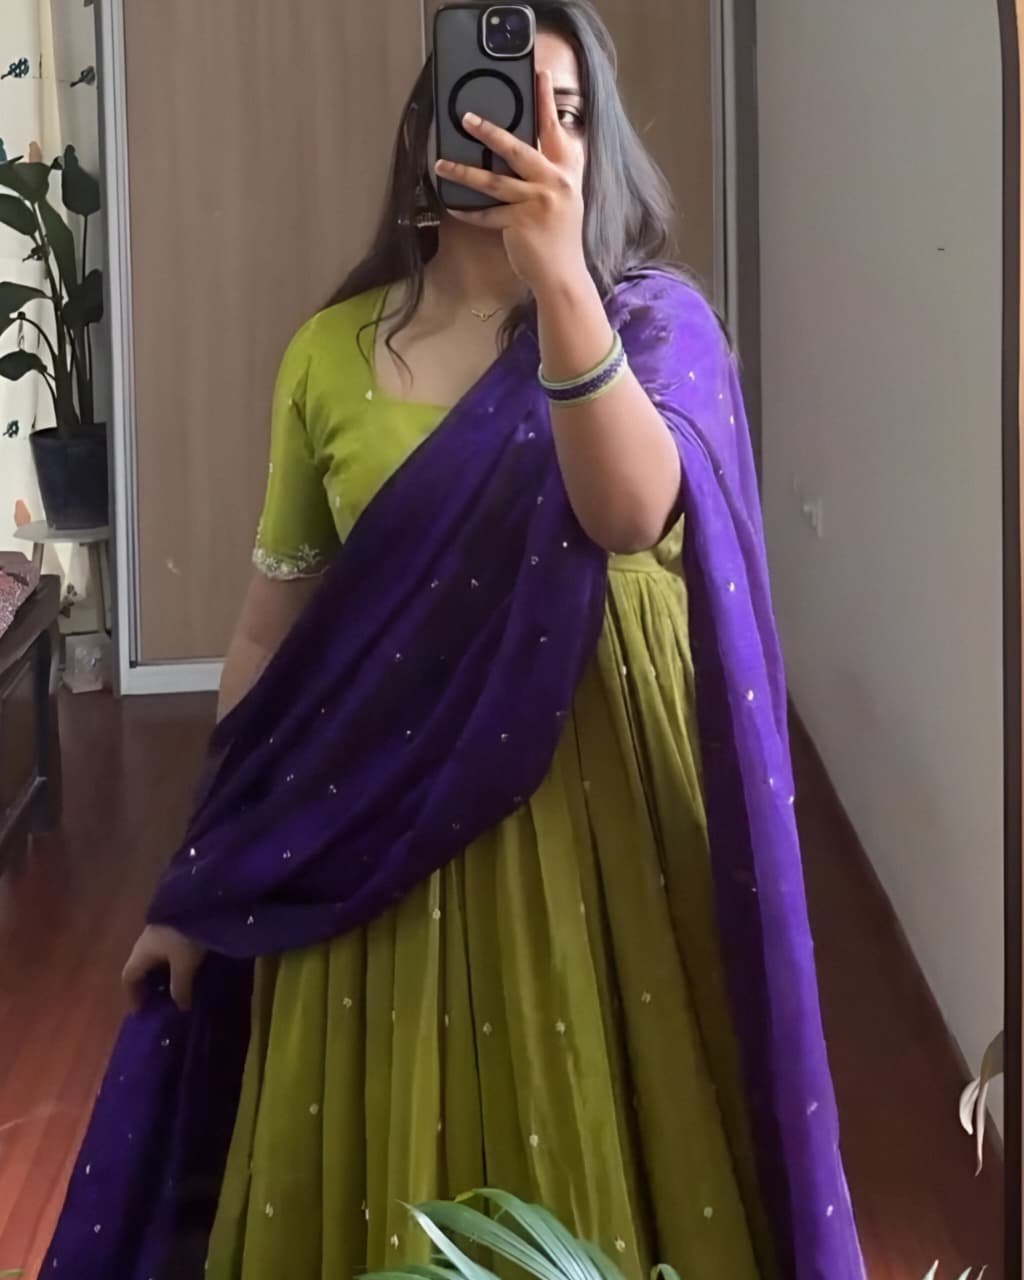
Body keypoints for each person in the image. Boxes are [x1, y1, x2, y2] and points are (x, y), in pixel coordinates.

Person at [43, 3, 864, 1278]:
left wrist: (561, 282)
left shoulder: (655, 327)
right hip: (369, 830)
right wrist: (203, 871)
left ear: (599, 149)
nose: (533, 135)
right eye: (501, 101)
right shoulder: (330, 354)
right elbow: (269, 632)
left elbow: (627, 509)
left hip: (604, 827)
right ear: (431, 130)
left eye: (568, 112)